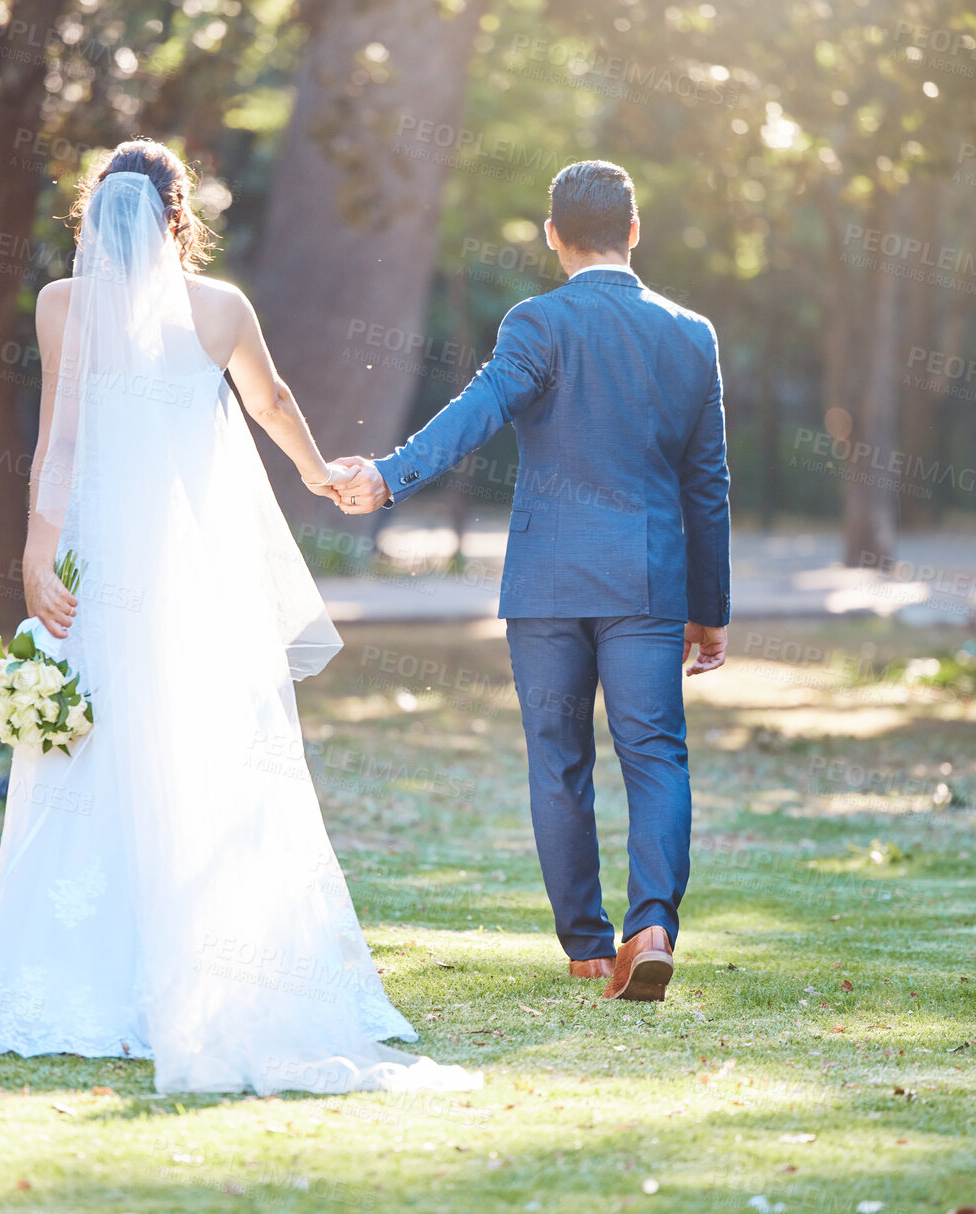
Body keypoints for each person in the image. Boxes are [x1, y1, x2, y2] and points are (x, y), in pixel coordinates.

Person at [0, 139, 480, 1095]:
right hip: (187, 568)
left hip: (98, 561)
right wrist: (323, 474)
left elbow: (57, 444)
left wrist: (34, 548)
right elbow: (270, 403)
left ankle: (88, 976)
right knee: (192, 746)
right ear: (178, 215)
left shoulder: (61, 306)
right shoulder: (219, 308)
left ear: (94, 214)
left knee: (97, 745)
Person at [332, 160, 731, 1001]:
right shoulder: (691, 332)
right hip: (648, 581)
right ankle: (651, 925)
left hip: (547, 580)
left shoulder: (534, 323)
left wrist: (391, 475)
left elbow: (478, 410)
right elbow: (706, 482)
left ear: (552, 235)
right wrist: (710, 608)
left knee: (558, 761)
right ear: (634, 229)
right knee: (654, 754)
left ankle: (588, 949)